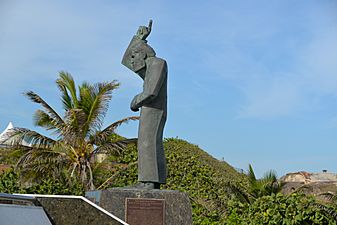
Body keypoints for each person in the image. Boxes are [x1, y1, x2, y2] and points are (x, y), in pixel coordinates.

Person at [121, 20, 167, 189]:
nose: (132, 61)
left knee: (148, 142)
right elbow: (125, 61)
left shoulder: (157, 63)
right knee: (146, 142)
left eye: (135, 56)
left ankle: (149, 181)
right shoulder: (147, 67)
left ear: (144, 54)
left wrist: (135, 101)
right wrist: (139, 38)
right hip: (149, 109)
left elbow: (151, 92)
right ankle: (151, 181)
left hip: (155, 109)